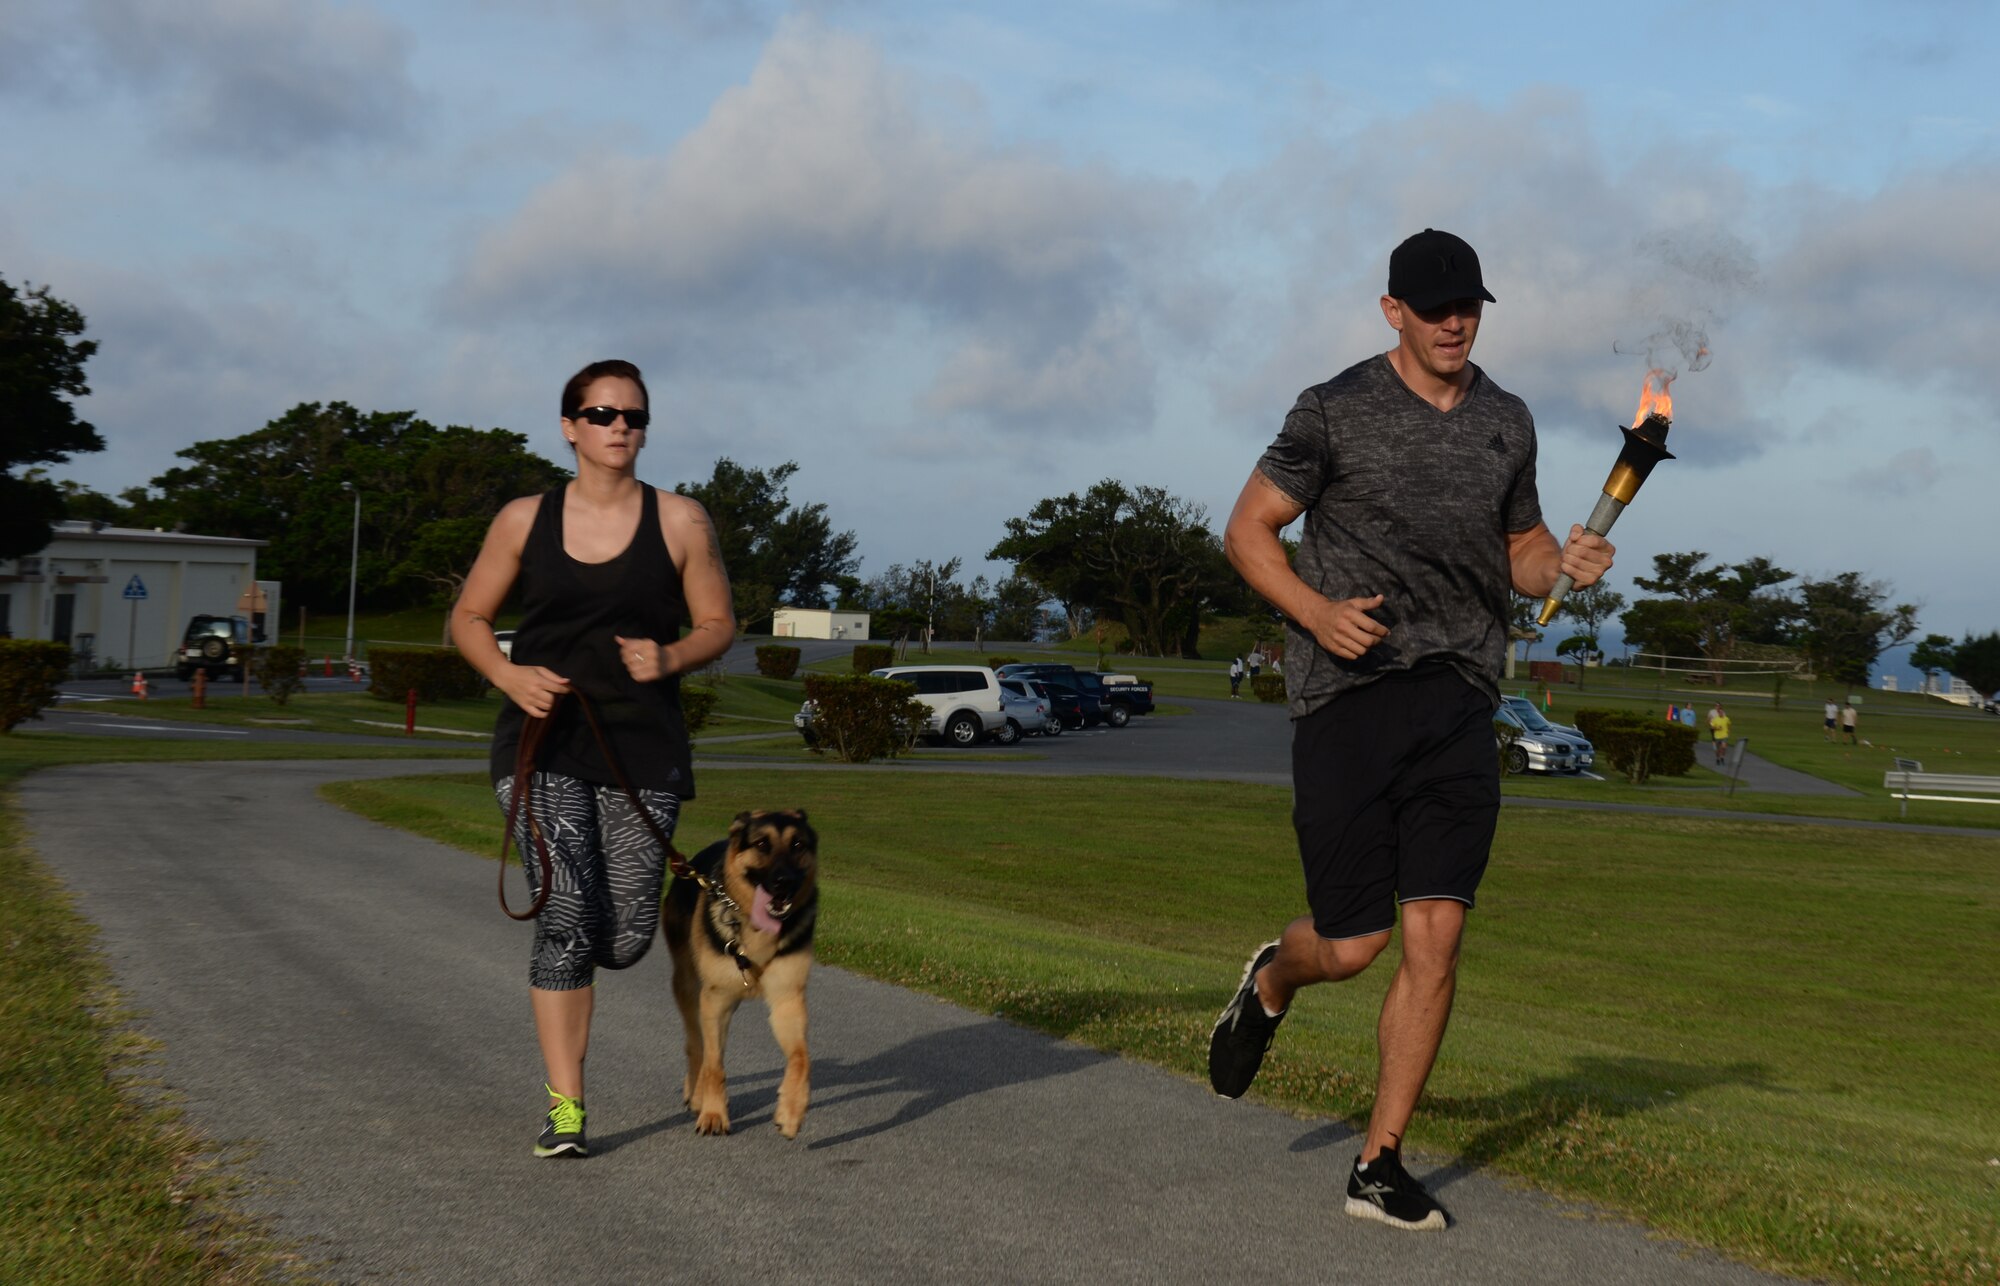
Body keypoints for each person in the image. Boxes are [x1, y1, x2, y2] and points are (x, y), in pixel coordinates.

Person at [1210, 229, 1613, 1231]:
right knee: (1353, 943)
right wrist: (1312, 612)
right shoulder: (1331, 409)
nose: (1453, 321)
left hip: (1457, 697)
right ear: (1390, 310)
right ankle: (1271, 977)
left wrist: (1560, 563)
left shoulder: (1506, 421)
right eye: (1432, 307)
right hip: (1347, 693)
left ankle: (1377, 1161)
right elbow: (1246, 528)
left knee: (1435, 937)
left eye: (1466, 304)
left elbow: (1517, 551)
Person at [453, 358, 736, 1159]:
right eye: (604, 414)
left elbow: (718, 622)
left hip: (641, 746)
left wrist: (671, 658)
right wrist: (508, 673)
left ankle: (591, 987)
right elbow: (469, 616)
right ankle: (567, 1109)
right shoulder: (523, 519)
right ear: (570, 425)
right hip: (542, 742)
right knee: (569, 912)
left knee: (623, 940)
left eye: (635, 417)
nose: (621, 428)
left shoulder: (681, 521)